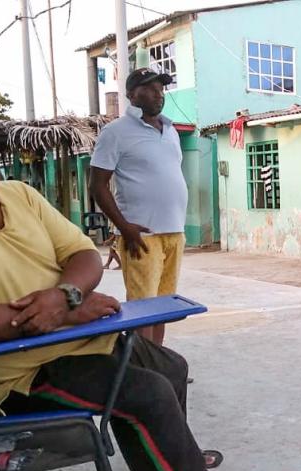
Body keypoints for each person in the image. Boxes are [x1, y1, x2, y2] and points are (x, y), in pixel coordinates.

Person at [0, 117, 280, 471]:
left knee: (171, 367)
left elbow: (83, 254)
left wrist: (64, 297)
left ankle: (174, 453)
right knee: (148, 396)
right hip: (17, 371)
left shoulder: (18, 195)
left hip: (73, 341)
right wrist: (73, 312)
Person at [90, 68, 189, 345]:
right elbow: (97, 185)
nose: (158, 94)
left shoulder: (170, 131)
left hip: (174, 232)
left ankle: (157, 363)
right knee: (143, 307)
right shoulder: (115, 132)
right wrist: (124, 227)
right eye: (149, 88)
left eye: (160, 88)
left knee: (163, 306)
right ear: (131, 94)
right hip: (140, 234)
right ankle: (140, 368)